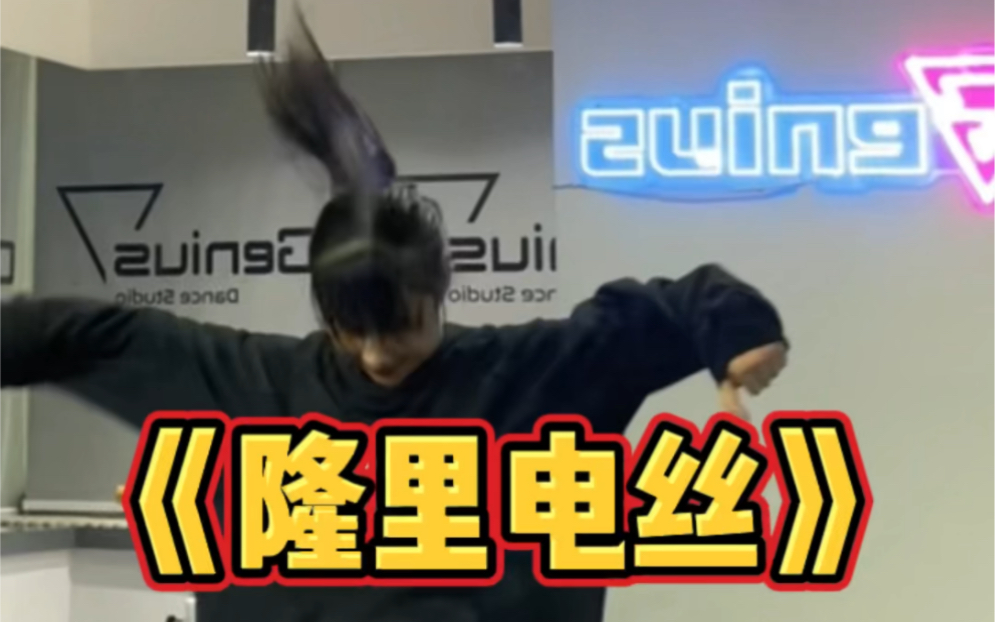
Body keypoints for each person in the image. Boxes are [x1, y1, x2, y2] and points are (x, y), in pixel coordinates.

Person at [0, 16, 788, 622]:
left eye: (399, 327)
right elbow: (82, 337)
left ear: (440, 289)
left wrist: (738, 339)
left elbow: (681, 302)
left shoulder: (531, 375)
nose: (378, 354)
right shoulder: (255, 385)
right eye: (353, 331)